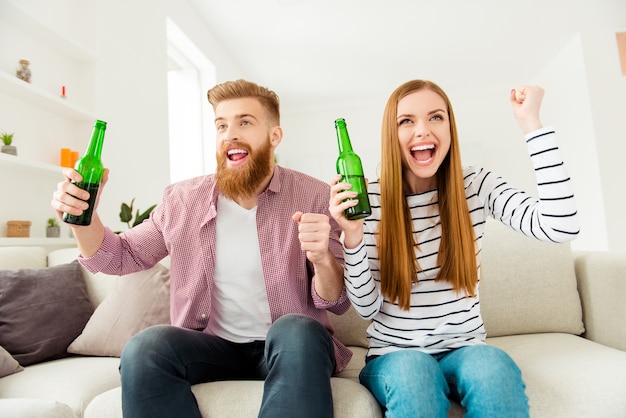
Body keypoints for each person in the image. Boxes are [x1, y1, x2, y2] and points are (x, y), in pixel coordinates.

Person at [51, 79, 353, 418]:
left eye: (245, 122)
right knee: (143, 348)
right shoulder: (181, 200)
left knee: (296, 330)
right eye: (222, 125)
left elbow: (337, 300)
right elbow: (121, 255)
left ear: (274, 136)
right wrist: (84, 220)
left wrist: (322, 258)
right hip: (212, 348)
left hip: (287, 348)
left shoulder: (312, 195)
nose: (230, 134)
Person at [329, 80, 580, 418]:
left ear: (450, 128)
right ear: (392, 134)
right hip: (395, 355)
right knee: (415, 377)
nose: (422, 130)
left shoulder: (475, 186)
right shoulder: (368, 199)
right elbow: (366, 308)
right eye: (407, 121)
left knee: (494, 371)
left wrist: (532, 125)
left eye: (436, 117)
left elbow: (561, 225)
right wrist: (352, 237)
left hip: (466, 348)